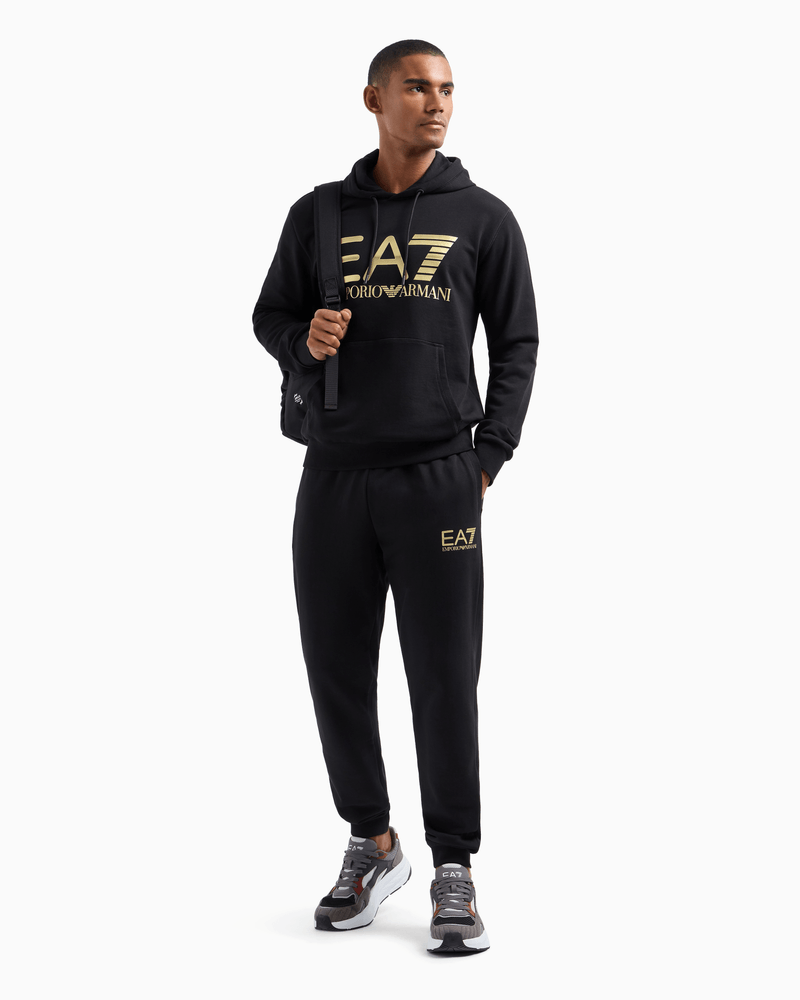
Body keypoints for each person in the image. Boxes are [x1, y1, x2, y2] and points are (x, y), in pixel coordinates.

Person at [252, 38, 538, 955]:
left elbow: (518, 342)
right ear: (374, 99)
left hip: (439, 478)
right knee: (335, 670)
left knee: (444, 675)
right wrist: (304, 339)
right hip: (333, 474)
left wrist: (489, 454)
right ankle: (372, 844)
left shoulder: (483, 218)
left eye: (446, 88)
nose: (436, 102)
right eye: (417, 87)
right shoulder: (318, 213)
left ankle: (454, 863)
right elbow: (269, 314)